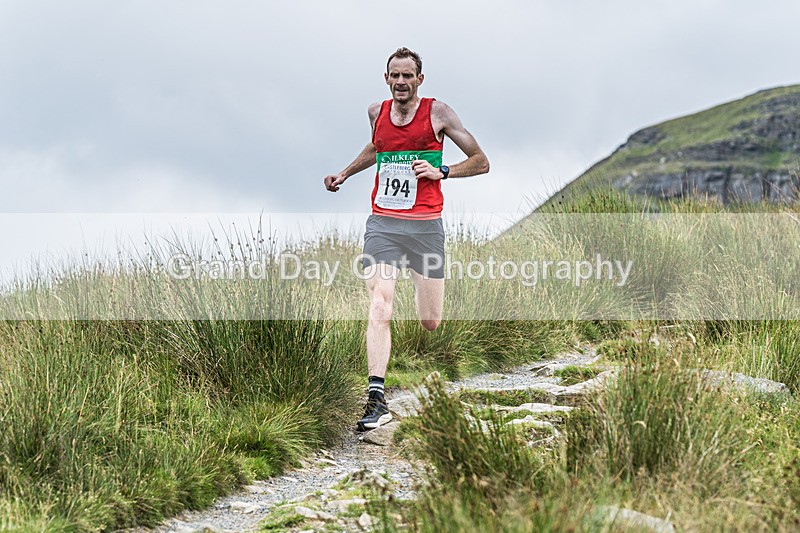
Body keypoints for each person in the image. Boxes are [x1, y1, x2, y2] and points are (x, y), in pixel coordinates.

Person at [324, 47, 489, 431]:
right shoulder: (375, 113)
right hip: (383, 223)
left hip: (426, 228)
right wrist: (346, 173)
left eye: (407, 76)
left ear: (419, 79)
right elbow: (379, 147)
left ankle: (397, 379)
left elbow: (481, 161)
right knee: (380, 305)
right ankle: (376, 398)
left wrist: (441, 170)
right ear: (386, 79)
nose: (400, 82)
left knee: (430, 320)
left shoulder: (438, 114)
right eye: (394, 76)